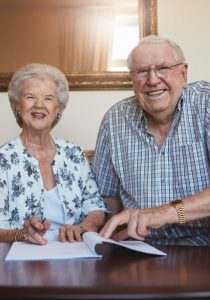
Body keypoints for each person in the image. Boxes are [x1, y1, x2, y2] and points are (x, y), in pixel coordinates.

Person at [92, 35, 210, 246]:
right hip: (138, 247)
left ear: (183, 73)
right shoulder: (114, 120)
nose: (153, 79)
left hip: (204, 245)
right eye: (142, 71)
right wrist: (106, 239)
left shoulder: (206, 104)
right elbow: (107, 198)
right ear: (132, 79)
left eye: (163, 68)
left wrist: (162, 214)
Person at [0, 63, 109, 245]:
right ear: (17, 105)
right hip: (19, 259)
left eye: (48, 98)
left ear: (58, 108)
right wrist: (21, 234)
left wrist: (80, 229)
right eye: (30, 97)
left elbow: (96, 207)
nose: (39, 105)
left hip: (73, 253)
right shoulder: (3, 158)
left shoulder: (73, 153)